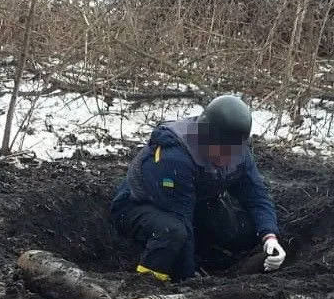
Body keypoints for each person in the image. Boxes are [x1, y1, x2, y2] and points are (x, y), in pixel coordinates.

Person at [110, 95, 286, 281]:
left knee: (239, 230)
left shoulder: (238, 151)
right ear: (205, 137)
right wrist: (189, 281)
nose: (227, 158)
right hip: (138, 206)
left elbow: (256, 195)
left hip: (194, 203)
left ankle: (207, 260)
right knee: (172, 233)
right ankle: (146, 281)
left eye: (233, 150)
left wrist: (269, 236)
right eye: (221, 149)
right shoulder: (175, 157)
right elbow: (181, 218)